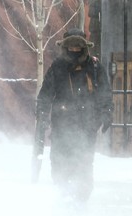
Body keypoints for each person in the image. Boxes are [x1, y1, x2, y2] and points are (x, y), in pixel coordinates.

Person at [35, 28, 113, 201]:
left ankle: (80, 202)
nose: (75, 49)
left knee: (84, 165)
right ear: (65, 47)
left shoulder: (94, 67)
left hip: (87, 127)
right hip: (61, 127)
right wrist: (42, 114)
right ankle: (63, 199)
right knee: (60, 165)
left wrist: (106, 114)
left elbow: (105, 94)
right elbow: (45, 94)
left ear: (84, 47)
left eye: (78, 45)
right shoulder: (57, 66)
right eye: (71, 45)